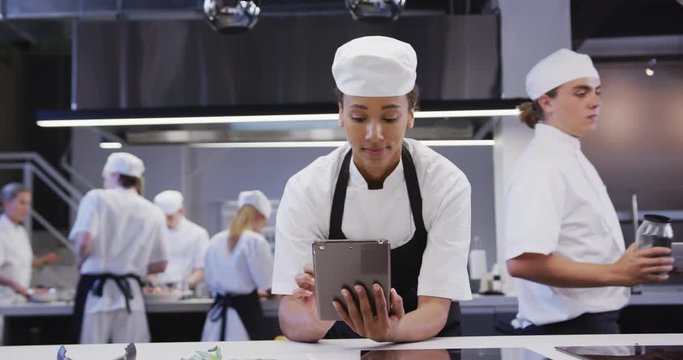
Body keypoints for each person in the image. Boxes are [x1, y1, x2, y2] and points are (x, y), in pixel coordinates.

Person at [271, 36, 472, 342]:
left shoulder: (445, 182)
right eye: (359, 117)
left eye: (390, 117)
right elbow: (291, 313)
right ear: (340, 113)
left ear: (411, 114)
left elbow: (435, 307)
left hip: (422, 346)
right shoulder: (308, 187)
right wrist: (313, 320)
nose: (374, 134)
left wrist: (391, 331)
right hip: (338, 348)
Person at [504, 48, 675, 335]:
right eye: (581, 93)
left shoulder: (570, 156)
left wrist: (631, 265)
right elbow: (523, 263)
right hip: (568, 331)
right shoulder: (543, 165)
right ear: (546, 101)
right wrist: (619, 272)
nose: (595, 102)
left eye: (597, 91)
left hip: (592, 327)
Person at [69, 152, 169, 344]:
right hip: (131, 294)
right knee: (132, 354)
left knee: (89, 355)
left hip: (95, 292)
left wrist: (80, 263)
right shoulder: (153, 211)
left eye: (105, 176)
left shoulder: (96, 198)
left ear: (115, 175)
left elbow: (84, 242)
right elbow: (161, 264)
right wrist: (133, 266)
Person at [201, 190, 274, 341]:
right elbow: (268, 284)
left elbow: (209, 281)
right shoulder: (255, 241)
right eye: (264, 223)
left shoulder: (215, 239)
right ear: (260, 216)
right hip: (243, 317)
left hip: (216, 317)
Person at [0, 183, 60, 301]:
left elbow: (19, 263)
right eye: (21, 203)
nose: (26, 208)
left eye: (28, 204)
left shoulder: (21, 231)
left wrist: (43, 260)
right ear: (6, 202)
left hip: (18, 299)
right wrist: (19, 288)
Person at [152, 190, 209, 289]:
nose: (166, 222)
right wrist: (155, 284)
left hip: (186, 291)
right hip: (157, 290)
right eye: (162, 218)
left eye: (169, 218)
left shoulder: (198, 233)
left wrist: (184, 287)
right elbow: (145, 265)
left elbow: (201, 269)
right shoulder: (152, 233)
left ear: (181, 211)